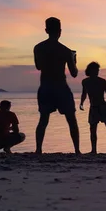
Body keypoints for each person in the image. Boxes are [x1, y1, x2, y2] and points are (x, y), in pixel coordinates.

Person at [33, 17, 80, 154]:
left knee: (43, 119)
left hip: (46, 86)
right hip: (60, 86)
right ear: (60, 31)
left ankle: (38, 149)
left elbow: (38, 66)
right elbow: (74, 73)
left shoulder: (38, 48)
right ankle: (77, 150)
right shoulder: (65, 50)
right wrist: (73, 60)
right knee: (71, 119)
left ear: (46, 30)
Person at [80, 62, 106, 154]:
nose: (97, 71)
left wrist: (105, 104)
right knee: (92, 129)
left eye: (98, 70)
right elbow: (84, 93)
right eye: (95, 70)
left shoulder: (102, 81)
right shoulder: (85, 82)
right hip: (93, 107)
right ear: (90, 70)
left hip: (102, 107)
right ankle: (94, 150)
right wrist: (81, 103)